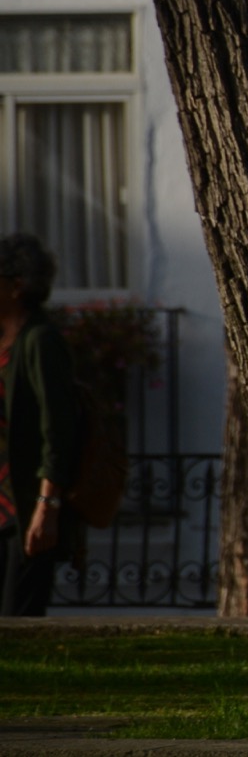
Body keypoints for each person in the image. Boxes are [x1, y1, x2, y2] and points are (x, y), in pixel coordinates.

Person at [0, 233, 81, 616]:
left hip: (22, 513)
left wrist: (47, 506)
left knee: (17, 623)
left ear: (17, 286)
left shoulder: (40, 341)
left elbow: (58, 430)